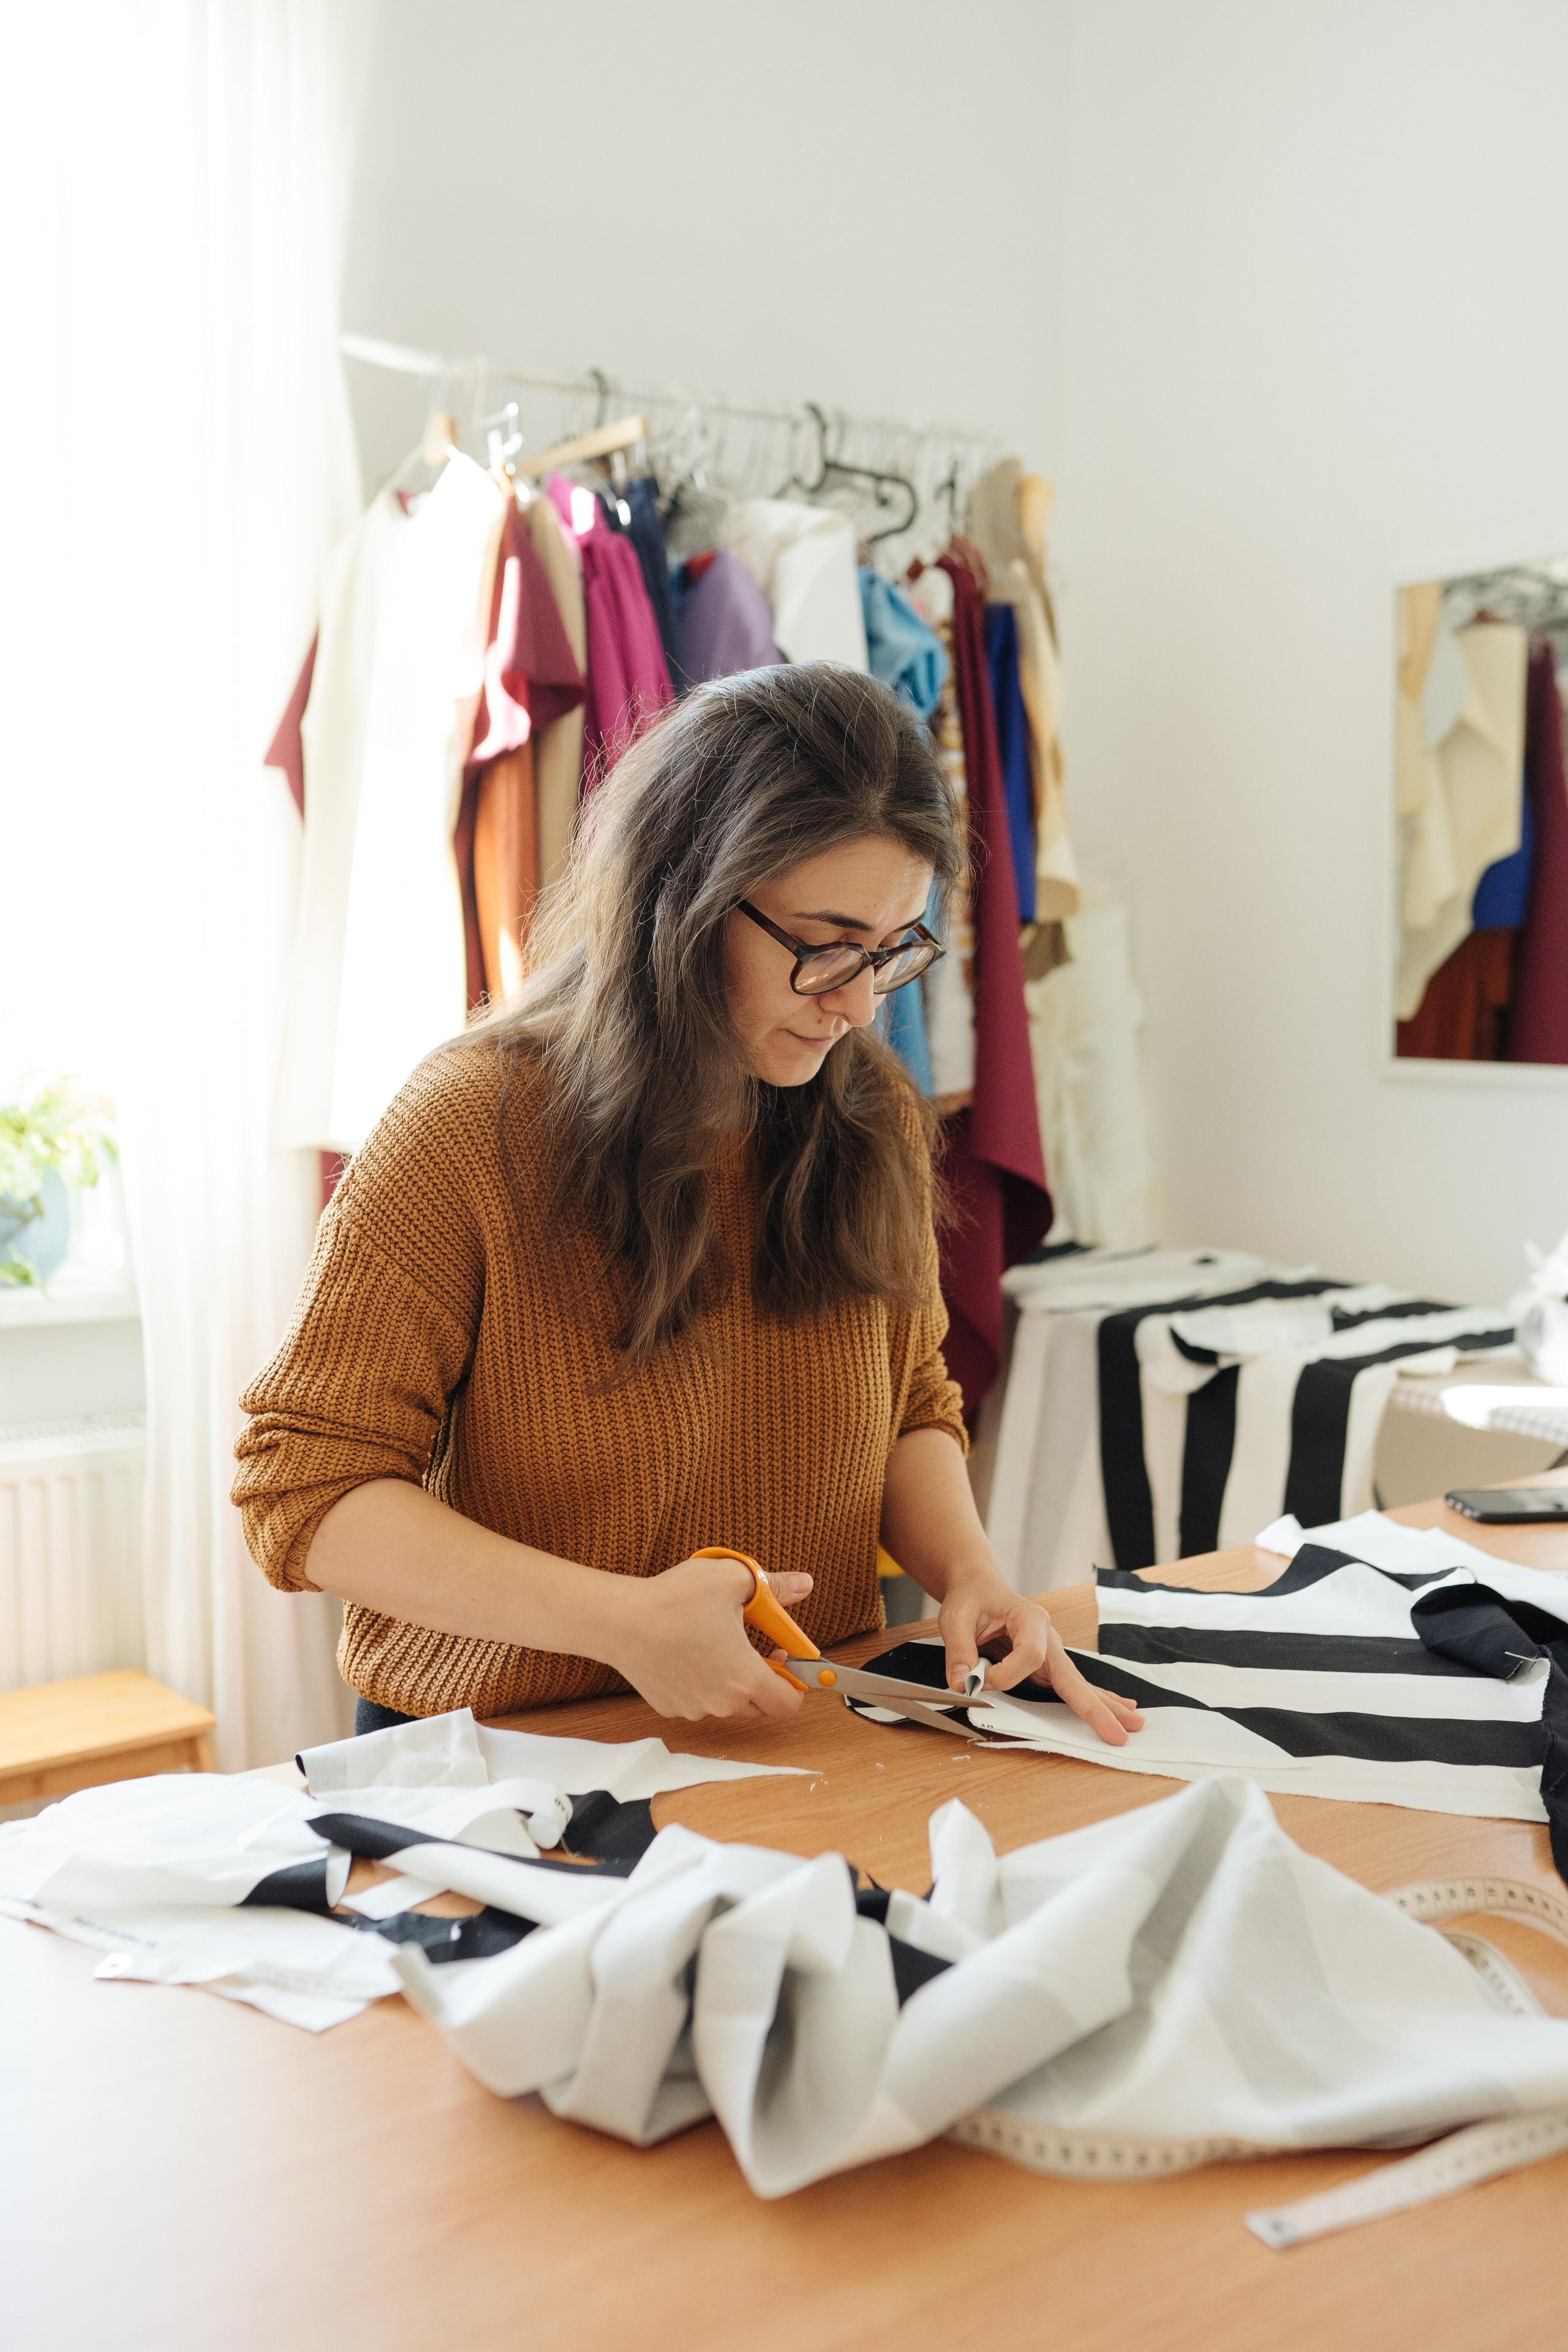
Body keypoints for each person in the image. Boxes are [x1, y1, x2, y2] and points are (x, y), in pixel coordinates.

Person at [233, 663, 1142, 1748]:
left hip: (798, 1729)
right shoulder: (471, 1124)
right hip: (498, 1757)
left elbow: (908, 1404)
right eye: (824, 944)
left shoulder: (869, 1118)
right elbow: (302, 1484)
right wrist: (621, 1624)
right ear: (685, 900)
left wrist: (971, 1574)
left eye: (891, 949)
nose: (858, 1005)